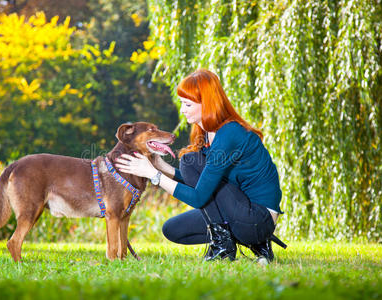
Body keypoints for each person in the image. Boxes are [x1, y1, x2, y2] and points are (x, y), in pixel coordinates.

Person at [115, 69, 283, 263]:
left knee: (189, 161)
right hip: (240, 210)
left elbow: (198, 196)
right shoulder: (207, 133)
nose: (183, 109)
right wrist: (161, 167)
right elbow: (204, 183)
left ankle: (226, 246)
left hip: (257, 217)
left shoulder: (229, 134)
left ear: (207, 104)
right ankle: (241, 242)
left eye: (188, 104)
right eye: (182, 104)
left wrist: (154, 175)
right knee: (173, 229)